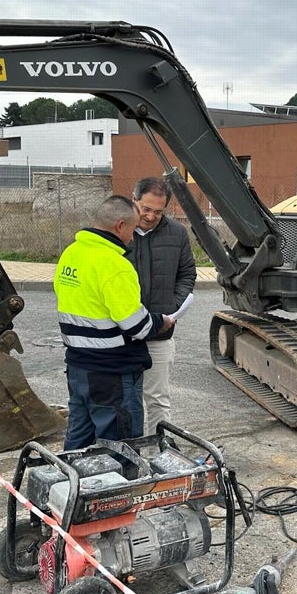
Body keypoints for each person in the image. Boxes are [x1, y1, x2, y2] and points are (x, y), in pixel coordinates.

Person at [54, 195, 173, 450]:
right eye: (132, 229)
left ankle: (72, 488)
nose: (133, 236)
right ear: (120, 226)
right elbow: (135, 326)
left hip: (78, 367)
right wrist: (160, 322)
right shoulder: (115, 265)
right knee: (121, 448)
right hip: (112, 374)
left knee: (77, 441)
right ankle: (117, 488)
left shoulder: (71, 254)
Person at [127, 177, 196, 435]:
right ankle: (126, 452)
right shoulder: (118, 230)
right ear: (133, 200)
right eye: (146, 209)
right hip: (121, 333)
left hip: (160, 332)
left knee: (157, 398)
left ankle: (161, 448)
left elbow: (187, 273)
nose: (151, 216)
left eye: (158, 211)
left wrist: (173, 306)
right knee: (124, 398)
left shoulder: (176, 233)